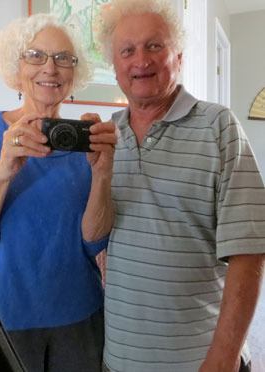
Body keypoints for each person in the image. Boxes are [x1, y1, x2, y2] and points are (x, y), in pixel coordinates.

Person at [93, 1, 265, 371]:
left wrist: (223, 358)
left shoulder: (219, 126)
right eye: (128, 50)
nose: (141, 60)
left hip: (199, 360)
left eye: (155, 46)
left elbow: (249, 251)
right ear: (115, 66)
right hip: (120, 359)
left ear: (179, 56)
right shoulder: (106, 134)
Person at [0, 13, 116, 372]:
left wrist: (103, 173)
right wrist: (3, 172)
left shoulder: (85, 141)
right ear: (16, 65)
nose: (51, 68)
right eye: (36, 55)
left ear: (74, 73)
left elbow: (94, 243)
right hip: (7, 310)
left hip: (80, 310)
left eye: (63, 58)